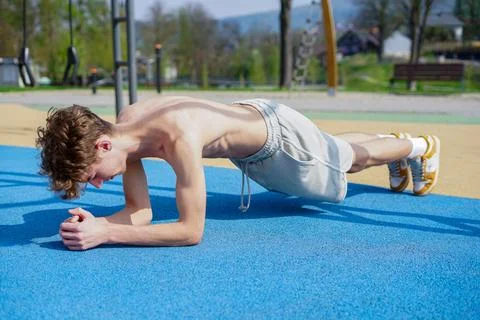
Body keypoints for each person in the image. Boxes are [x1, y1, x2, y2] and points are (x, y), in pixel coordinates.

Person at [36, 96, 440, 251]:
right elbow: (140, 212)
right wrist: (100, 223)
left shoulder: (177, 138)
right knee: (337, 148)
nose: (97, 183)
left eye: (91, 174)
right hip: (253, 127)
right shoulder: (127, 129)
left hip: (279, 142)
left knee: (347, 158)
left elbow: (191, 231)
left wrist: (108, 233)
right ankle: (395, 143)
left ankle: (418, 146)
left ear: (102, 145)